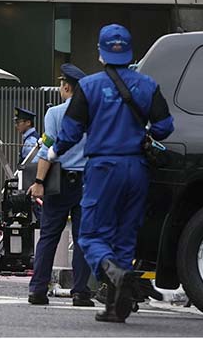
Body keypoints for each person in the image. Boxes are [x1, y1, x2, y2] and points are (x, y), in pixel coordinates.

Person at [51, 24, 175, 323]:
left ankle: (115, 274)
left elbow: (70, 131)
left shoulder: (89, 86)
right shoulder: (148, 85)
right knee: (124, 236)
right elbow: (165, 127)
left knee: (92, 235)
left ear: (101, 53)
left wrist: (54, 152)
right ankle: (116, 307)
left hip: (103, 168)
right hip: (136, 168)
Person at [28, 63, 93, 308]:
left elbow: (47, 151)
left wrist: (38, 182)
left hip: (58, 181)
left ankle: (37, 290)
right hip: (87, 183)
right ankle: (81, 292)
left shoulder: (54, 113)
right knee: (83, 239)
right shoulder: (93, 114)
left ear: (66, 87)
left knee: (48, 237)